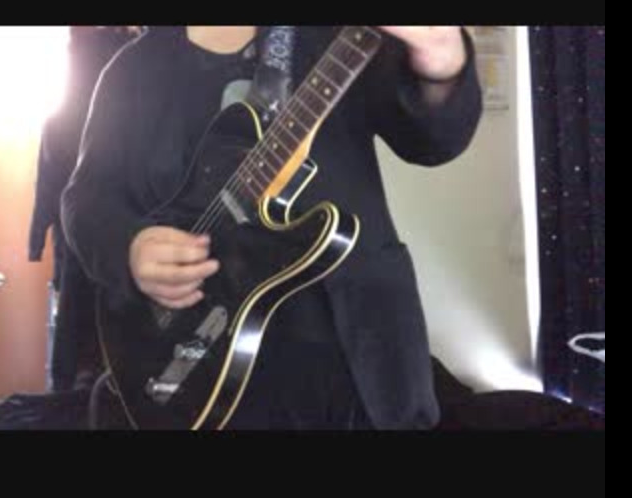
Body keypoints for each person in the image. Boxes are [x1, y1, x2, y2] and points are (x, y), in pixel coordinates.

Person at [61, 26, 483, 429]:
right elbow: (86, 201)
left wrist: (441, 53)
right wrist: (130, 248)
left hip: (360, 358)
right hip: (203, 369)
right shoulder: (132, 70)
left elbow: (432, 140)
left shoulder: (336, 37)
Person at [28, 26, 142, 391]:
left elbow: (46, 186)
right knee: (102, 332)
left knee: (80, 339)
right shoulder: (72, 119)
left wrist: (36, 240)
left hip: (97, 242)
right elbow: (47, 184)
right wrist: (36, 239)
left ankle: (76, 390)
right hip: (111, 240)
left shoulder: (61, 121)